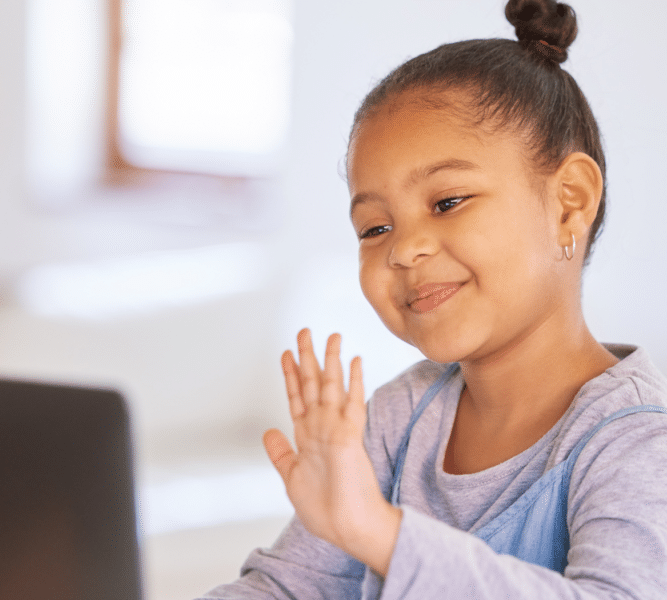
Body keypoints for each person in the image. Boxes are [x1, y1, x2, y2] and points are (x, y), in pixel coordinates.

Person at [199, 0, 667, 597]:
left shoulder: (636, 441)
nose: (404, 250)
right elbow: (289, 587)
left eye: (447, 202)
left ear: (568, 202)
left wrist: (380, 533)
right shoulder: (401, 417)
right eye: (375, 228)